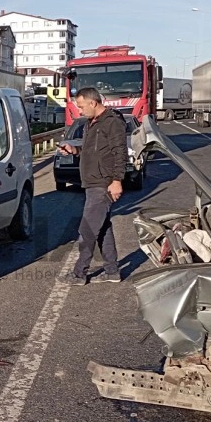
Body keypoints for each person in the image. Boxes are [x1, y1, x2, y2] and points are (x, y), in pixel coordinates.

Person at [57, 87, 128, 286]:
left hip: (103, 183)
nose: (79, 111)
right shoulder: (92, 123)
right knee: (102, 228)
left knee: (87, 230)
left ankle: (79, 274)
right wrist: (74, 150)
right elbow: (93, 151)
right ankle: (112, 271)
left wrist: (117, 180)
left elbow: (120, 153)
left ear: (93, 103)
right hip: (92, 182)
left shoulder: (112, 123)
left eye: (81, 106)